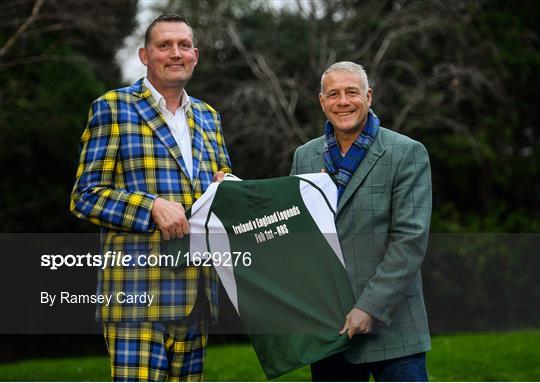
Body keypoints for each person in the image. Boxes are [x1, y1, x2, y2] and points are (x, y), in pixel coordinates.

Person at [70, 14, 231, 381]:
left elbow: (220, 192)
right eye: (164, 45)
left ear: (196, 55)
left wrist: (230, 188)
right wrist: (150, 206)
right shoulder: (113, 107)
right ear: (145, 55)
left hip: (197, 297)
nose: (176, 53)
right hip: (136, 296)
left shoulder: (209, 117)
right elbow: (85, 195)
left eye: (184, 45)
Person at [291, 61, 432, 381]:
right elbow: (296, 231)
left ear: (368, 97)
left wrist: (368, 308)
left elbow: (410, 239)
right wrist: (235, 193)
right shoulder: (305, 156)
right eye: (334, 94)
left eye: (351, 92)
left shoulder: (406, 152)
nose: (343, 101)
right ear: (322, 101)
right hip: (331, 330)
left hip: (396, 331)